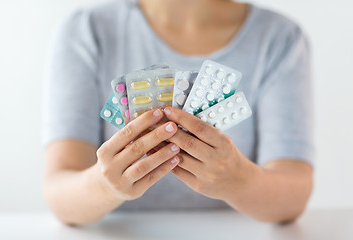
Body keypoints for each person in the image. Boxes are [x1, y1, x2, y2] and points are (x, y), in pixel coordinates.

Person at [42, 0, 314, 225]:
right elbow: (59, 192)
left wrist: (239, 181)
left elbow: (294, 194)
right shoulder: (86, 31)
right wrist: (104, 186)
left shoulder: (279, 38)